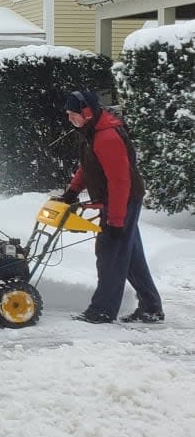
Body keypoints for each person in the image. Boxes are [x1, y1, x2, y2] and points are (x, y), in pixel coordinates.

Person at [55, 89, 164, 324]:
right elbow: (88, 166)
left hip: (122, 200)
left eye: (73, 113)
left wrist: (115, 220)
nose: (70, 118)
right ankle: (151, 307)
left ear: (87, 112)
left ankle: (102, 311)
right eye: (68, 114)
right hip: (116, 200)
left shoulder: (107, 137)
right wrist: (72, 191)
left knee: (110, 254)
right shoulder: (93, 132)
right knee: (130, 256)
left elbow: (120, 181)